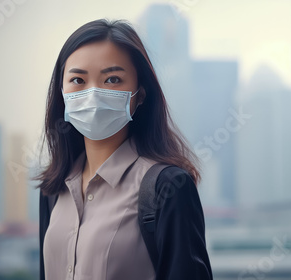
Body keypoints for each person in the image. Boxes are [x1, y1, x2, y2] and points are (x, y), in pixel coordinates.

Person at [35, 18, 213, 280]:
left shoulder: (167, 188)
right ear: (61, 93)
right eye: (78, 80)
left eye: (112, 79)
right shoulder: (54, 190)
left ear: (140, 95)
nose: (93, 93)